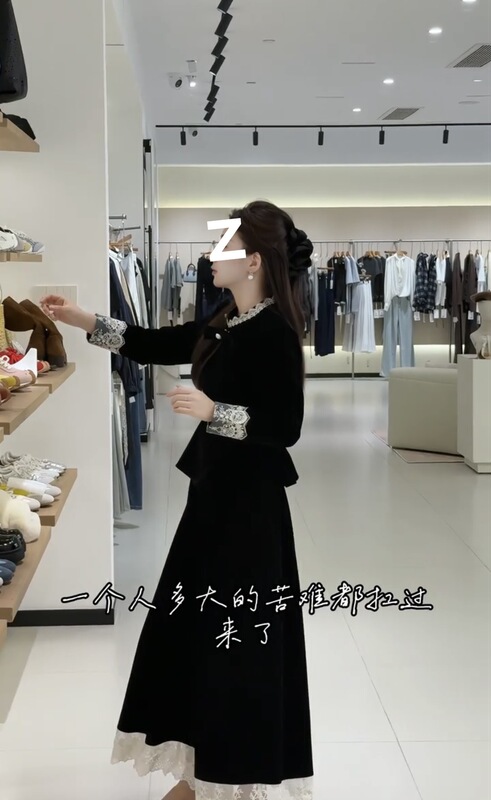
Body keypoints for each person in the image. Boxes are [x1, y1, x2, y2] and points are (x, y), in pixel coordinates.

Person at [40, 200, 314, 800]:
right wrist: (83, 318)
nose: (212, 255)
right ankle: (202, 772)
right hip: (213, 500)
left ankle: (229, 778)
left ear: (255, 261)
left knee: (235, 636)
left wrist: (217, 412)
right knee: (197, 635)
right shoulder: (226, 319)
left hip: (250, 512)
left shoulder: (274, 331)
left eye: (225, 246)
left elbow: (285, 426)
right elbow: (154, 342)